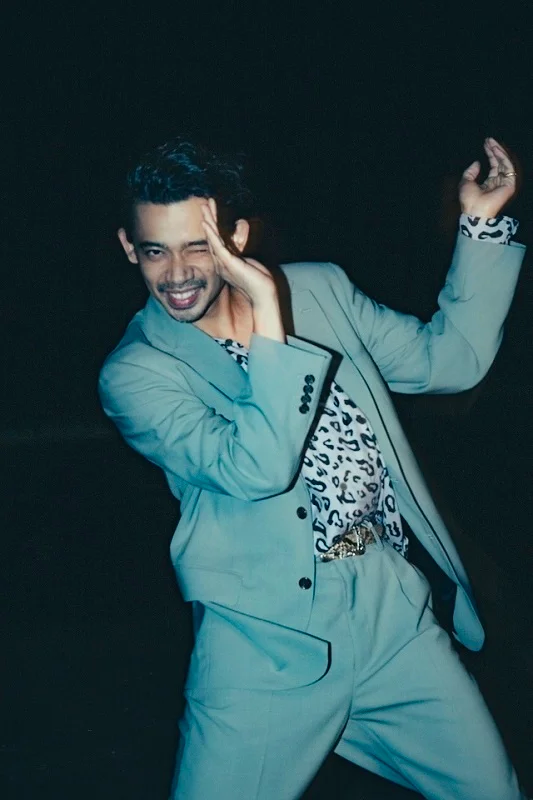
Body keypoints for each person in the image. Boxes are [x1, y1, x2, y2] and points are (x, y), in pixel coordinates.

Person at [99, 137, 528, 799]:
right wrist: (268, 313)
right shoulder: (137, 373)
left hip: (390, 614)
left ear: (235, 238)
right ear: (130, 248)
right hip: (265, 645)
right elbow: (257, 469)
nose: (176, 273)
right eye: (156, 250)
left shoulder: (321, 291)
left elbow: (449, 362)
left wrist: (480, 224)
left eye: (197, 246)